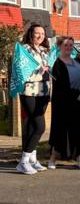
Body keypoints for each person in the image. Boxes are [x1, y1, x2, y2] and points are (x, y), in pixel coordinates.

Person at [48, 37, 80, 169]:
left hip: (79, 102)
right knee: (59, 130)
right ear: (59, 46)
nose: (69, 47)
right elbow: (60, 87)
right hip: (63, 103)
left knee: (79, 130)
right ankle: (52, 159)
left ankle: (78, 158)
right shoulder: (57, 64)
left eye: (71, 45)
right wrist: (78, 91)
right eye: (66, 45)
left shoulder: (76, 62)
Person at [16, 24, 51, 175]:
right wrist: (39, 71)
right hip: (29, 92)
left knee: (32, 126)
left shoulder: (44, 51)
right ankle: (23, 161)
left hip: (43, 92)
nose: (40, 36)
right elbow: (20, 71)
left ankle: (32, 159)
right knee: (39, 127)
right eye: (37, 33)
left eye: (42, 34)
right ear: (30, 34)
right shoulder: (24, 50)